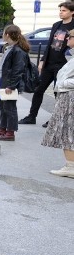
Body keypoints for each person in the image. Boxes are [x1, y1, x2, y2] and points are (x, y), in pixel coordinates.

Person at [20, 1, 74, 125]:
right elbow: (50, 43)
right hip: (49, 63)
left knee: (58, 93)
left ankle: (54, 120)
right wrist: (43, 60)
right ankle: (31, 116)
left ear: (72, 12)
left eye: (64, 10)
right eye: (60, 10)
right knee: (38, 89)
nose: (61, 12)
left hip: (63, 64)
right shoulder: (56, 25)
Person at [41, 32, 74, 177]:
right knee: (67, 130)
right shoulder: (71, 55)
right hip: (67, 96)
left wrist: (62, 84)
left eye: (71, 37)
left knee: (67, 131)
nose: (67, 39)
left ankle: (70, 166)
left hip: (70, 97)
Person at [0, 24, 30, 141]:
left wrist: (11, 86)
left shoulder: (18, 51)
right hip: (2, 82)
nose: (3, 35)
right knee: (1, 105)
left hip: (9, 84)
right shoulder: (8, 47)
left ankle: (10, 132)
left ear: (7, 35)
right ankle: (2, 128)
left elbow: (18, 70)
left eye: (3, 33)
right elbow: (2, 67)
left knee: (9, 107)